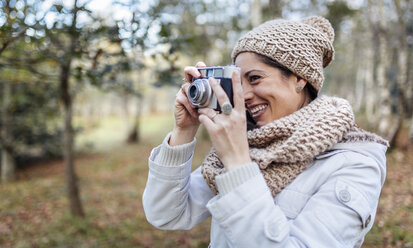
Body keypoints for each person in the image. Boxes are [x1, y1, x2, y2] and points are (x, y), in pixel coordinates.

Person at [142, 16, 388, 247]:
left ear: (299, 79)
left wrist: (238, 164)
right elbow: (165, 214)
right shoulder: (252, 143)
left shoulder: (354, 164)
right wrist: (184, 131)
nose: (244, 94)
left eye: (255, 78)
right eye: (238, 82)